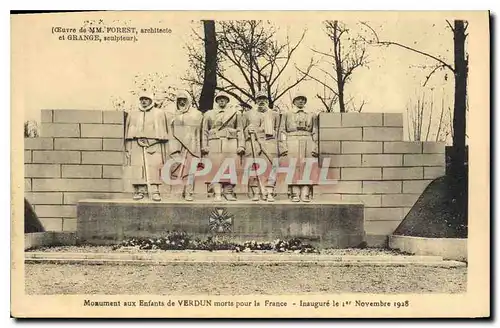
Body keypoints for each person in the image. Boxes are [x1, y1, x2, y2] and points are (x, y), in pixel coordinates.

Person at [124, 92, 169, 201]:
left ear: (151, 100)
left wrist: (152, 141)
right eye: (142, 99)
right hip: (137, 144)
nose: (144, 101)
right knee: (139, 167)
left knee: (154, 167)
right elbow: (129, 131)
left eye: (146, 99)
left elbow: (162, 133)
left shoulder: (158, 113)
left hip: (154, 144)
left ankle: (155, 191)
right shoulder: (133, 114)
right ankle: (140, 190)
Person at [201, 91, 245, 201]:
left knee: (230, 168)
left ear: (227, 100)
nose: (222, 100)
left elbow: (240, 129)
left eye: (224, 98)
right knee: (215, 167)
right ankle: (217, 192)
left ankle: (228, 192)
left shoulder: (235, 113)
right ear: (216, 101)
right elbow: (204, 131)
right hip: (214, 142)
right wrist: (204, 145)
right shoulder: (209, 114)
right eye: (219, 98)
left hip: (230, 142)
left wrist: (241, 145)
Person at [241, 91, 284, 202]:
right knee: (254, 168)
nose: (261, 101)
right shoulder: (248, 114)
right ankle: (256, 192)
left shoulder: (275, 114)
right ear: (256, 101)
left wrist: (281, 146)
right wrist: (247, 131)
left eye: (264, 99)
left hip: (270, 143)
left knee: (270, 167)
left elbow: (280, 131)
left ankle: (269, 192)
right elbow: (241, 130)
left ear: (267, 101)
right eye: (259, 99)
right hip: (253, 143)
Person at [281, 92, 319, 202]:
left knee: (307, 166)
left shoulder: (312, 114)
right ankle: (295, 193)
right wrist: (283, 145)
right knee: (293, 166)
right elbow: (282, 131)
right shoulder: (287, 114)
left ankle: (305, 193)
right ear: (294, 101)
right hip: (292, 140)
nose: (301, 101)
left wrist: (315, 145)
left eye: (303, 99)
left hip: (308, 139)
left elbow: (315, 131)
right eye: (298, 99)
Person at [166, 90, 203, 201]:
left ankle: (188, 192)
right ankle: (176, 192)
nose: (182, 102)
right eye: (180, 100)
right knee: (176, 168)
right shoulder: (172, 115)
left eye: (184, 100)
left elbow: (199, 131)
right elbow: (169, 132)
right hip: (176, 146)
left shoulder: (197, 114)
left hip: (191, 147)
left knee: (190, 170)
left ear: (188, 101)